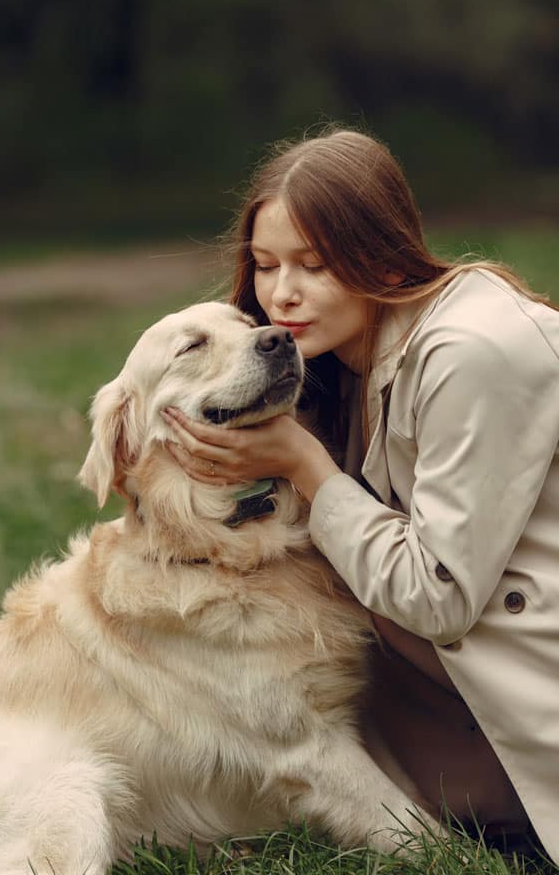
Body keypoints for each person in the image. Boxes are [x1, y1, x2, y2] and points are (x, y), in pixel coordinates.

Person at [160, 128, 559, 861]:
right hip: (449, 717)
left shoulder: (472, 353)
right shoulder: (335, 361)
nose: (281, 295)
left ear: (383, 252)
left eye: (315, 265)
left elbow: (438, 594)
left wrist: (308, 468)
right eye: (266, 265)